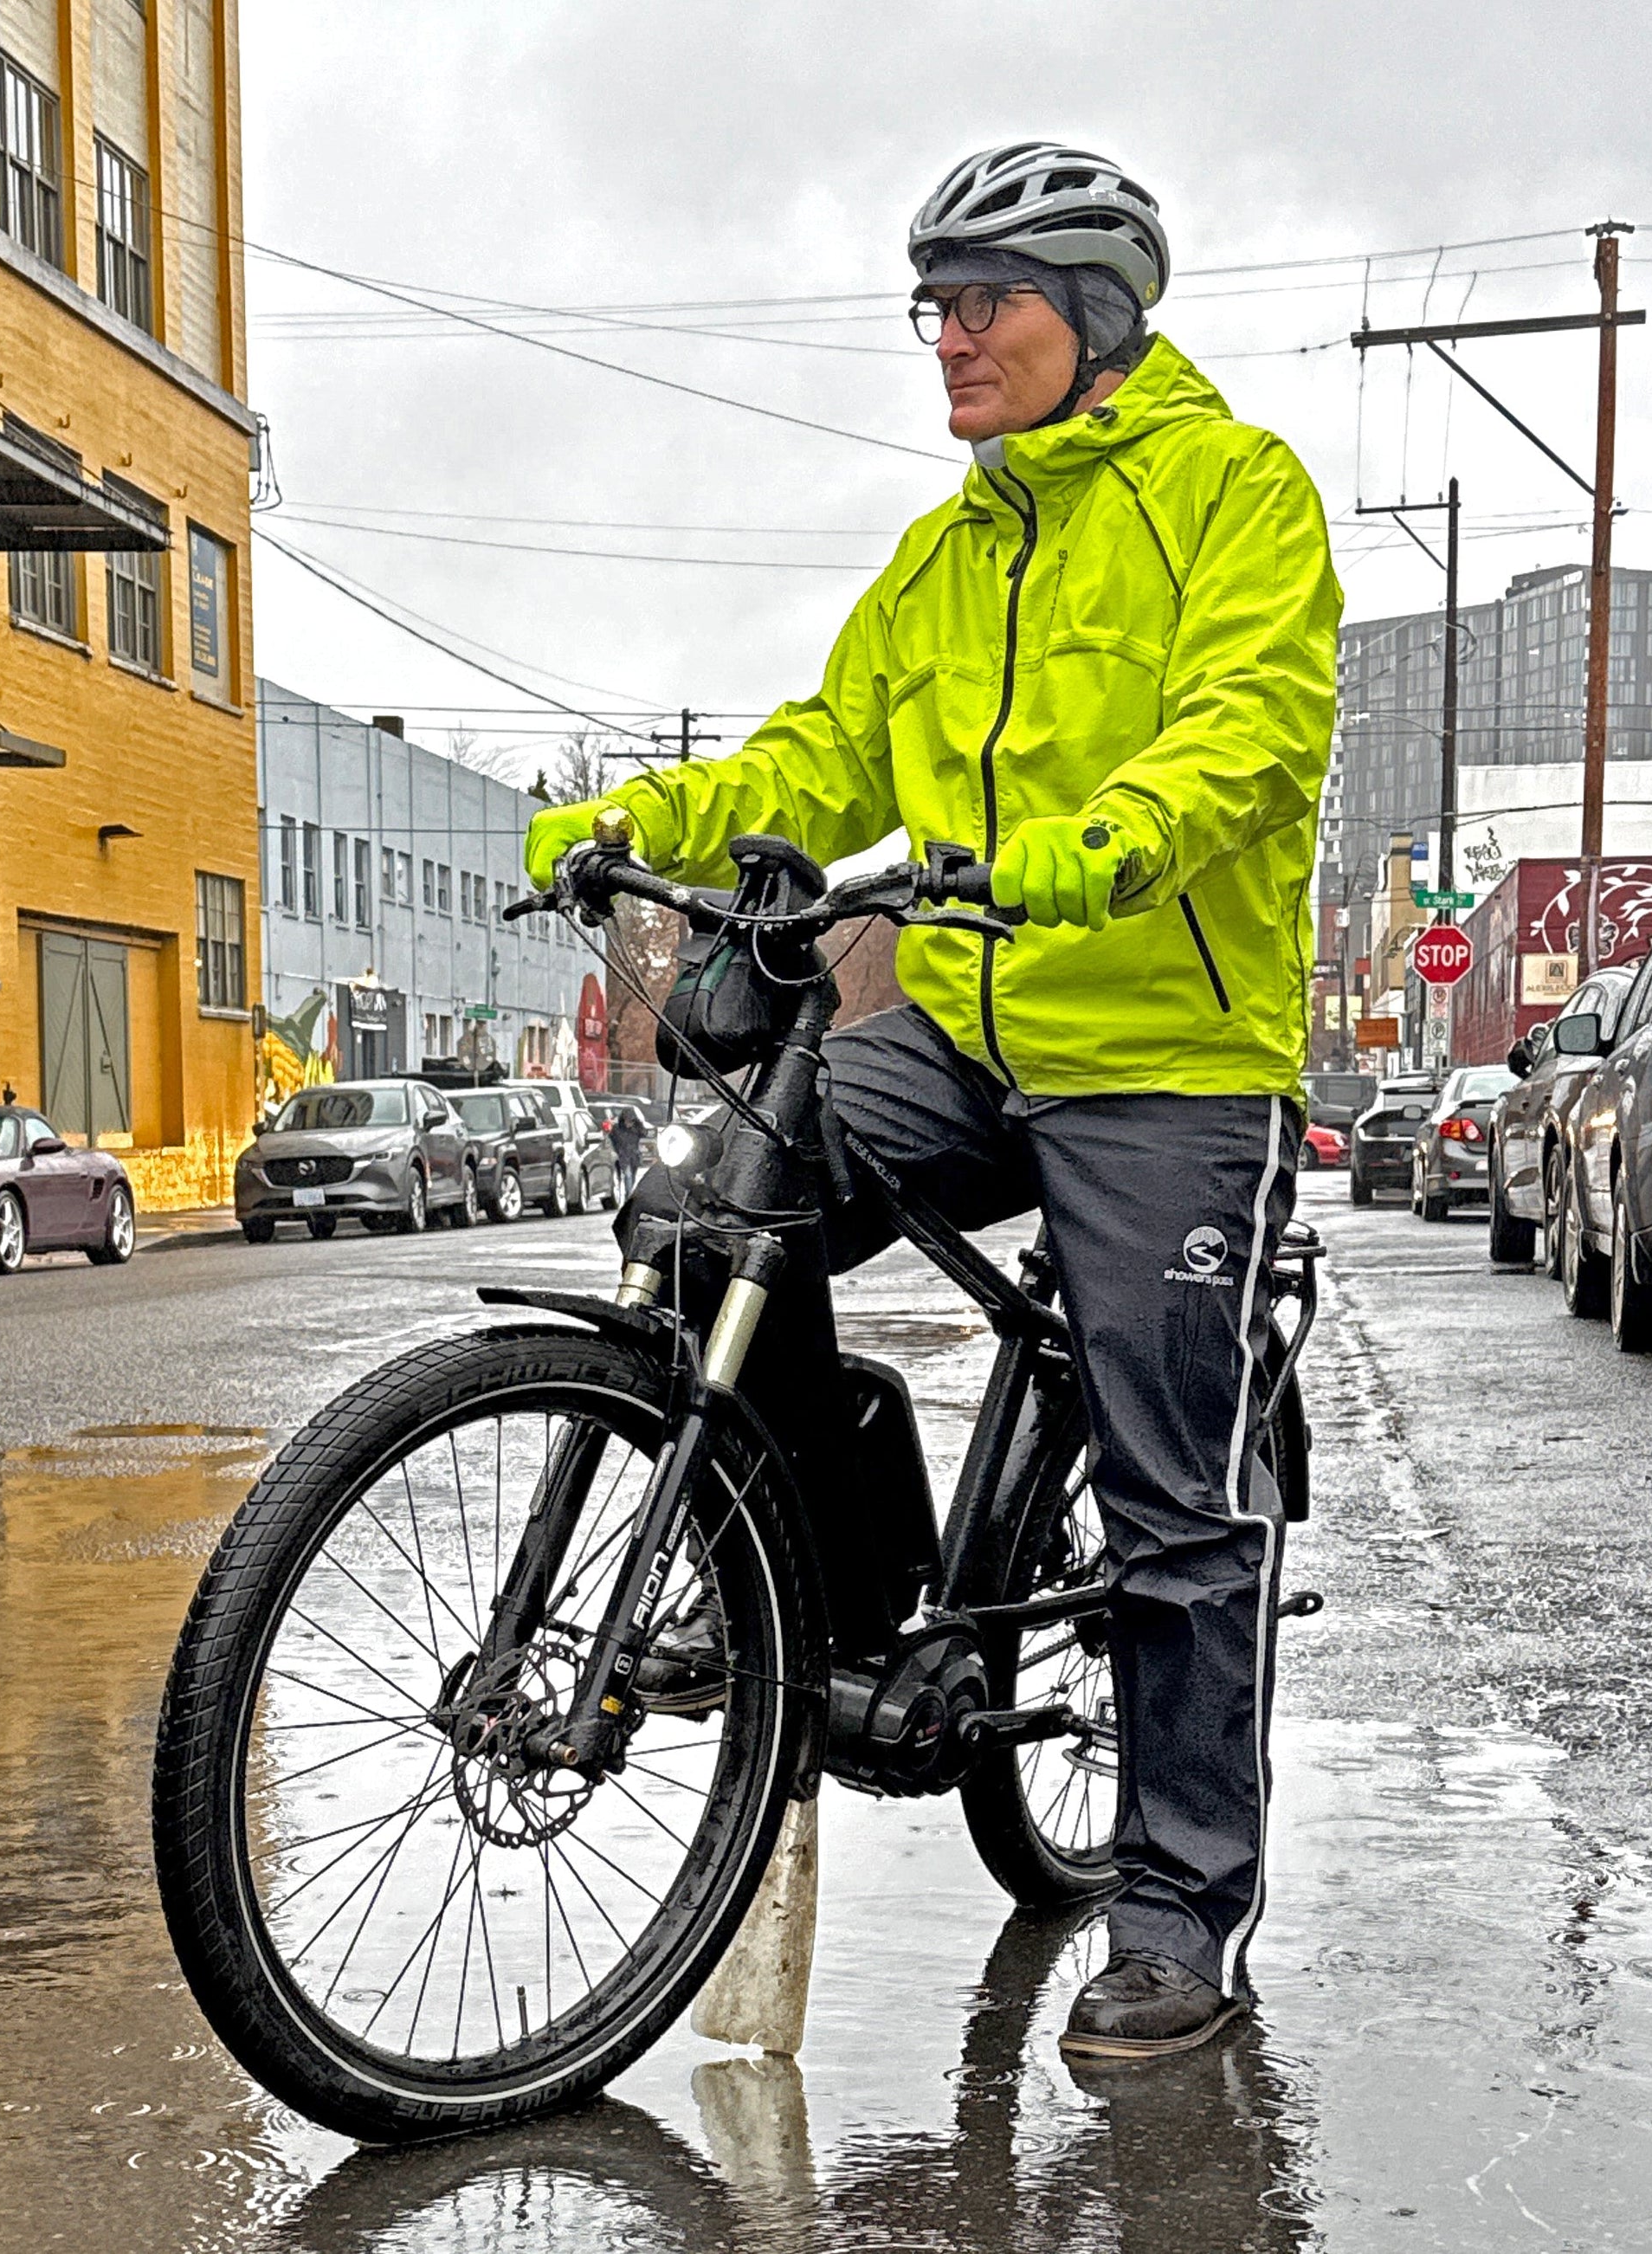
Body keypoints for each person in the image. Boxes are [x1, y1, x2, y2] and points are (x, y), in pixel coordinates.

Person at [526, 143, 1340, 2062]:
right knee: (723, 1180)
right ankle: (835, 1582)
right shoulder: (947, 548)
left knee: (1166, 1490)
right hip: (972, 1016)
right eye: (934, 303)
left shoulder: (1233, 497)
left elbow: (1250, 722)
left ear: (1097, 315)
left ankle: (1176, 1905)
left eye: (983, 300)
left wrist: (1104, 841)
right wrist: (643, 825)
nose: (948, 338)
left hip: (1159, 1038)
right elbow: (827, 747)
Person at [605, 1100, 646, 1200]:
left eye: (631, 1121)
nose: (629, 1123)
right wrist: (615, 1151)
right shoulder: (617, 1129)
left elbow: (644, 1133)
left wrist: (639, 1124)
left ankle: (629, 1194)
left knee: (633, 1176)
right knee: (627, 1176)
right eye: (627, 1121)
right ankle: (628, 1197)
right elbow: (611, 1139)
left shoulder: (636, 1128)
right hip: (623, 1156)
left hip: (634, 1156)